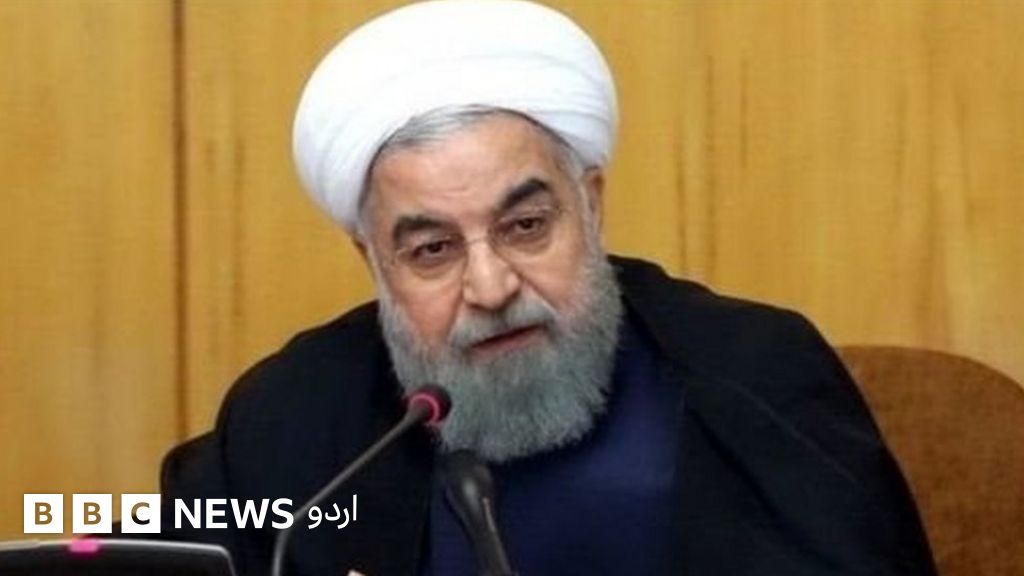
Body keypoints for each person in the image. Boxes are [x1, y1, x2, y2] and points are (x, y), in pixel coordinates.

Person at [158, 1, 937, 575]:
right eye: (432, 250)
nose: (491, 285)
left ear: (590, 205)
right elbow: (120, 532)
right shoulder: (293, 416)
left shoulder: (757, 375)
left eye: (526, 226)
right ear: (374, 260)